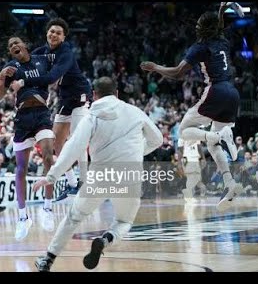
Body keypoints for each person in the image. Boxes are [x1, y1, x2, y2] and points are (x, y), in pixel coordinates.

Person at [33, 77, 162, 271]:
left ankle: (47, 259)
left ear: (94, 95)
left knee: (74, 217)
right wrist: (136, 151)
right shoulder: (135, 112)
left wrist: (51, 176)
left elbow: (73, 147)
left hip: (101, 176)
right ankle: (105, 240)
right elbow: (157, 140)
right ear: (117, 93)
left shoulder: (91, 116)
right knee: (123, 221)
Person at [140, 2, 243, 212]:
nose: (196, 28)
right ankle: (229, 183)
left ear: (205, 28)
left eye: (199, 25)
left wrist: (155, 68)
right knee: (213, 146)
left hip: (215, 90)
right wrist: (222, 10)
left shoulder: (200, 47)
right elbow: (218, 25)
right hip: (233, 93)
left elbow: (178, 73)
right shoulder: (221, 40)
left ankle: (219, 136)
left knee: (185, 131)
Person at [10, 18, 92, 202]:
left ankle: (85, 183)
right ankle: (71, 183)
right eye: (51, 31)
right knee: (57, 143)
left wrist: (23, 81)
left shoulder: (66, 53)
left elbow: (51, 77)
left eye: (58, 33)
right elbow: (24, 59)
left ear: (63, 38)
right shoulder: (43, 52)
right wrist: (7, 70)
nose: (53, 34)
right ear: (47, 33)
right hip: (65, 99)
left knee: (78, 139)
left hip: (80, 96)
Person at [0, 35, 56, 241]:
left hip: (42, 114)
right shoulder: (10, 68)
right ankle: (23, 217)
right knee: (20, 168)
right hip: (23, 118)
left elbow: (59, 69)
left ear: (25, 45)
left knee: (49, 156)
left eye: (16, 42)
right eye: (10, 45)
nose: (13, 46)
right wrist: (2, 78)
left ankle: (47, 208)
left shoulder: (42, 59)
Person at [177, 138, 206, 204]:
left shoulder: (195, 135)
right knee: (191, 177)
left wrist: (203, 158)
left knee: (197, 178)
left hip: (196, 159)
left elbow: (199, 147)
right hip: (188, 159)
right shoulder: (182, 137)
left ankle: (191, 193)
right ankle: (188, 196)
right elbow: (179, 150)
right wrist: (179, 163)